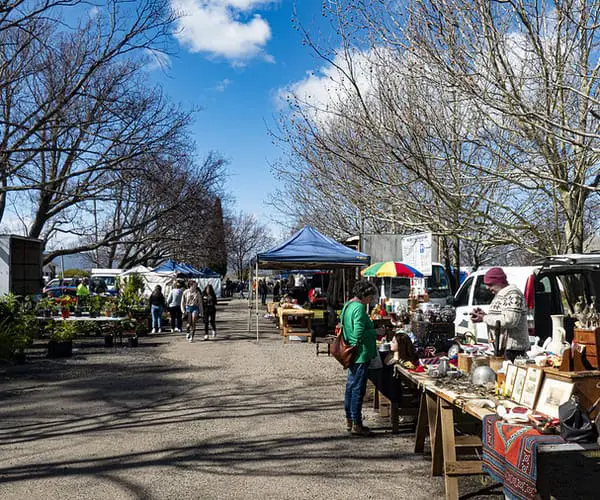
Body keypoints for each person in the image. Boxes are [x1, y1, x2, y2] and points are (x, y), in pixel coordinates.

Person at [341, 279, 378, 436]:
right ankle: (357, 423)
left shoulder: (347, 305)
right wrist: (376, 332)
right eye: (370, 296)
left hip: (351, 352)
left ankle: (349, 420)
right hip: (360, 354)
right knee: (357, 389)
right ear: (365, 294)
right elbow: (358, 334)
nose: (371, 299)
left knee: (350, 387)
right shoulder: (359, 308)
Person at [470, 267, 529, 362]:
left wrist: (485, 318)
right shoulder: (501, 295)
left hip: (512, 350)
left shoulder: (513, 294)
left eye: (490, 284)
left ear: (499, 281)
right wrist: (484, 315)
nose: (487, 288)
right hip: (502, 349)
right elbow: (500, 316)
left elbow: (510, 320)